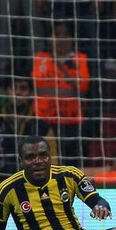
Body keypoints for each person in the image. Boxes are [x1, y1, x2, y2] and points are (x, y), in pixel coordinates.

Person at [31, 22, 90, 169]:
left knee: (71, 167)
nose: (61, 39)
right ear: (49, 38)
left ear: (73, 38)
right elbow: (37, 84)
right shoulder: (40, 58)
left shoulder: (81, 59)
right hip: (44, 120)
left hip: (72, 121)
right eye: (57, 34)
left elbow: (84, 86)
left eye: (66, 34)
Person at [0, 73, 36, 181]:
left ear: (31, 93)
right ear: (6, 91)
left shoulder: (41, 126)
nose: (17, 92)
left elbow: (52, 161)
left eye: (23, 88)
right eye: (13, 87)